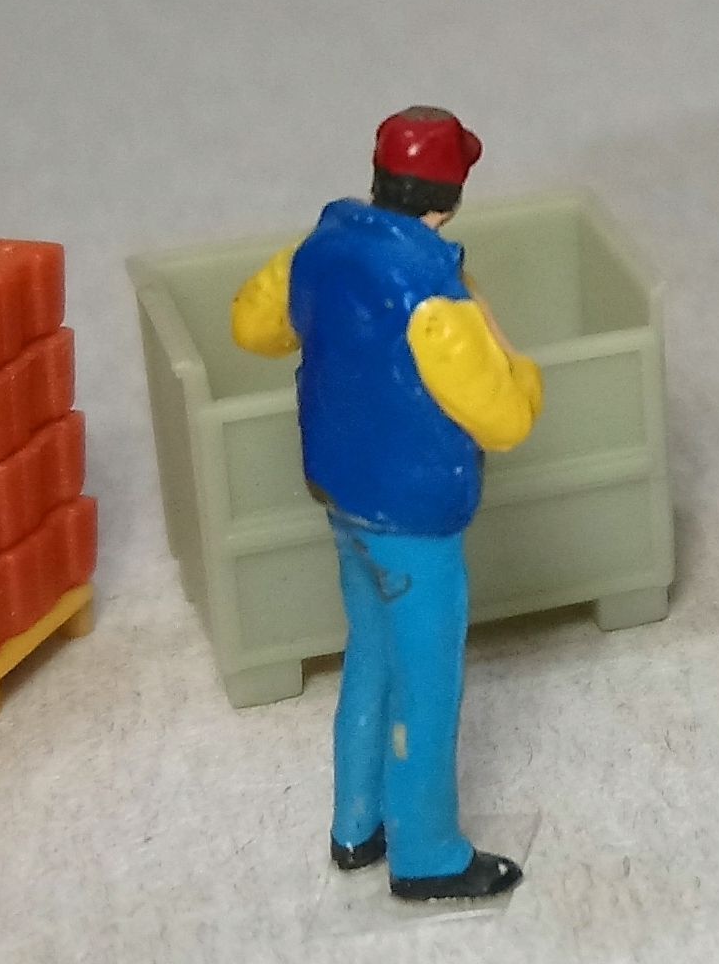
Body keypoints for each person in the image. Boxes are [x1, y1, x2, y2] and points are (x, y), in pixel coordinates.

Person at [229, 106, 543, 901]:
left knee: (369, 657)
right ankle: (427, 853)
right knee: (426, 686)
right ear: (451, 196)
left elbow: (253, 326)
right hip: (413, 515)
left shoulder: (317, 250)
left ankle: (355, 824)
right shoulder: (435, 296)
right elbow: (507, 419)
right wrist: (517, 360)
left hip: (341, 496)